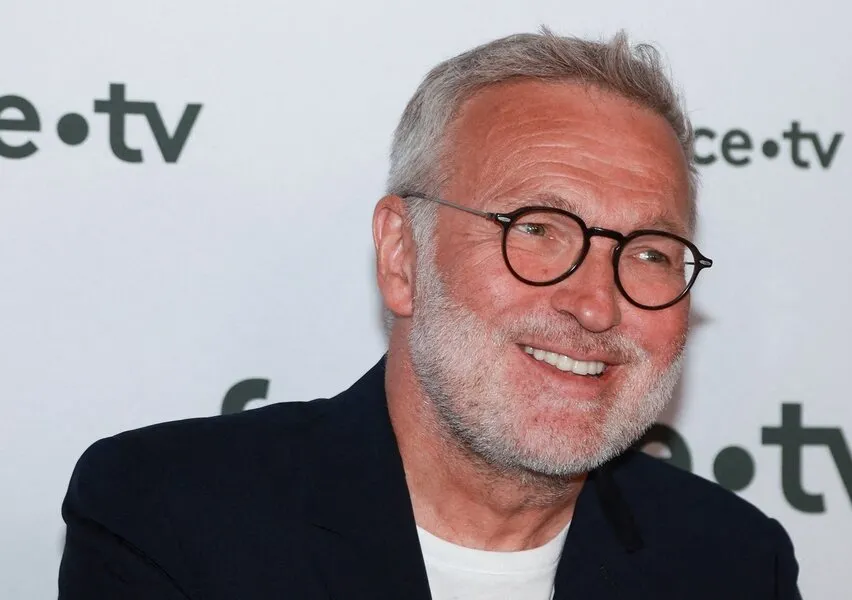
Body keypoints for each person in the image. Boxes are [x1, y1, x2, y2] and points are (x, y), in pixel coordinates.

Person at [58, 29, 803, 599]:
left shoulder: (733, 563)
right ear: (402, 256)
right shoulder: (170, 515)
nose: (596, 304)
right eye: (537, 230)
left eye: (648, 251)